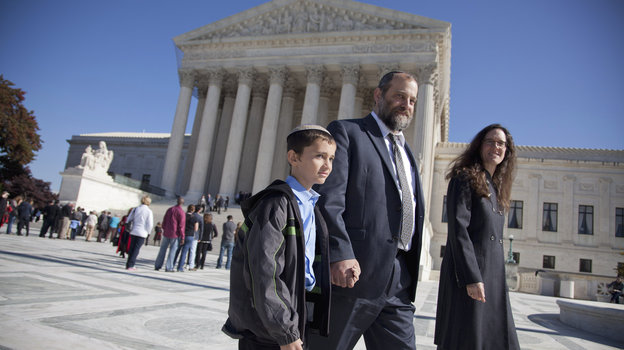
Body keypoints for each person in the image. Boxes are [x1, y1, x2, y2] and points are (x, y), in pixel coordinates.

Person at [308, 71, 425, 350]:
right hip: (352, 275)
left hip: (398, 280)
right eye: (399, 96)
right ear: (378, 95)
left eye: (411, 100)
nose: (406, 105)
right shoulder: (348, 132)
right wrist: (339, 253)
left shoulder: (407, 152)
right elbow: (329, 198)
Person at [222, 125, 335, 350]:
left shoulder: (310, 206)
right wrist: (285, 331)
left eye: (331, 158)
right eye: (319, 156)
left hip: (292, 314)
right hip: (269, 329)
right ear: (293, 157)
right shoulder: (276, 205)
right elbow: (265, 272)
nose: (327, 165)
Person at [434, 124, 520, 350]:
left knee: (494, 339)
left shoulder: (496, 188)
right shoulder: (464, 178)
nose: (496, 147)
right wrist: (471, 277)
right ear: (479, 146)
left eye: (501, 143)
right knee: (468, 339)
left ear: (507, 151)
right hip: (470, 276)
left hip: (492, 275)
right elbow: (458, 229)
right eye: (490, 141)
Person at [154, 197, 186, 272]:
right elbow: (181, 226)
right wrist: (183, 237)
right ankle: (169, 267)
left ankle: (157, 265)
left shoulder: (170, 209)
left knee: (162, 250)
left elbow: (164, 220)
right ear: (182, 203)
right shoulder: (181, 212)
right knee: (172, 251)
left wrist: (164, 228)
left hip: (166, 232)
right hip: (175, 234)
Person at [125, 196, 154, 270]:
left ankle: (128, 264)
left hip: (133, 231)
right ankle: (131, 265)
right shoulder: (149, 211)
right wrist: (148, 232)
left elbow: (128, 219)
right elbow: (150, 224)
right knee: (136, 249)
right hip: (142, 232)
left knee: (131, 248)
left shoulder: (135, 209)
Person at [176, 204, 199, 272]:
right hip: (190, 235)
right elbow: (196, 229)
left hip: (181, 234)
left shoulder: (183, 215)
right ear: (193, 210)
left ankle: (172, 264)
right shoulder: (194, 218)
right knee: (184, 252)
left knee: (177, 250)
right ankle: (180, 267)